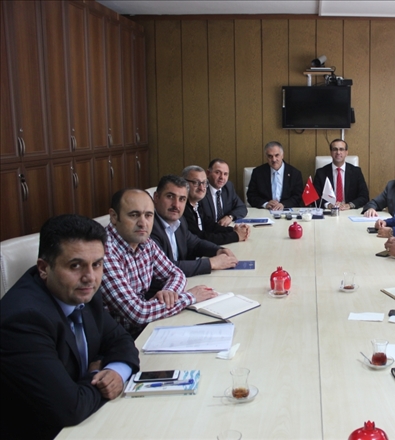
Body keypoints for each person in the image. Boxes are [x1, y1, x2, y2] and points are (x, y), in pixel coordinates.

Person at [0, 215, 140, 439]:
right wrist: (96, 374)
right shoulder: (23, 320)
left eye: (97, 264)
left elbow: (121, 339)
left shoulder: (83, 293)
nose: (90, 277)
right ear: (44, 268)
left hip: (87, 421)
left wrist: (117, 371)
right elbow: (71, 408)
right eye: (75, 265)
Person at [100, 188, 217, 337]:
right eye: (134, 215)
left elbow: (176, 273)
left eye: (148, 215)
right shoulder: (103, 252)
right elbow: (138, 314)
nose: (143, 223)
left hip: (149, 327)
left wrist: (169, 293)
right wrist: (190, 297)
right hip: (123, 339)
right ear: (114, 217)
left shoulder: (145, 242)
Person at [151, 174, 239, 276]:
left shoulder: (180, 221)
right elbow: (166, 268)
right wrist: (211, 263)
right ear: (156, 197)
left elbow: (195, 243)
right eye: (170, 196)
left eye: (182, 199)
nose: (176, 205)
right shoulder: (149, 228)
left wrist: (218, 250)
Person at [181, 165, 250, 245]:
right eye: (196, 183)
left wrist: (234, 230)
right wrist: (235, 236)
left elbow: (211, 226)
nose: (201, 187)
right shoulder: (183, 209)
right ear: (184, 183)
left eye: (204, 183)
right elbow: (200, 237)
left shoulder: (196, 205)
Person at [313, 139, 369, 210]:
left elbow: (364, 196)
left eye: (341, 149)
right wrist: (329, 205)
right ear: (331, 152)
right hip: (329, 211)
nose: (338, 152)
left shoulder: (356, 172)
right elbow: (315, 197)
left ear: (346, 152)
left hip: (350, 211)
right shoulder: (321, 172)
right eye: (335, 149)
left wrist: (349, 205)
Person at [247, 141, 303, 209]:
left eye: (277, 155)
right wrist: (265, 204)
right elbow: (251, 195)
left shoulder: (295, 173)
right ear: (266, 157)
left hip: (286, 210)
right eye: (270, 156)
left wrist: (284, 204)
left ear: (282, 155)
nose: (274, 159)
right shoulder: (258, 173)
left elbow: (298, 196)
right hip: (265, 210)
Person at [201, 159, 248, 226]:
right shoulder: (201, 190)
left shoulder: (228, 187)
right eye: (217, 172)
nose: (222, 177)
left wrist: (230, 216)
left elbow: (242, 207)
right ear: (208, 173)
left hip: (224, 229)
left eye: (225, 174)